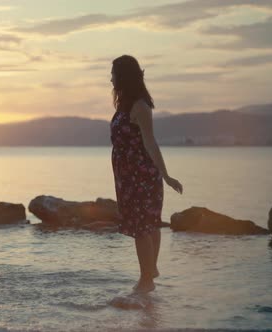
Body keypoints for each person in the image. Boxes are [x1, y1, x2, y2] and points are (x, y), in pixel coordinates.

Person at [110, 55, 183, 293]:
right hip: (127, 176)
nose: (111, 79)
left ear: (123, 76)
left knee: (144, 226)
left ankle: (146, 279)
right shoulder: (123, 105)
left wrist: (166, 175)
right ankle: (150, 273)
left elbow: (151, 143)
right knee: (146, 224)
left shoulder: (140, 106)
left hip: (141, 176)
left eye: (114, 74)